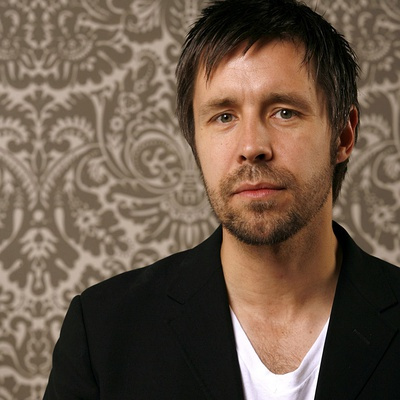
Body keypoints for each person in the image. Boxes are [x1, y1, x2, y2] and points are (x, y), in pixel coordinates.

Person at [43, 0, 400, 399]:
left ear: (343, 136)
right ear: (194, 140)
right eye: (224, 116)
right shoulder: (101, 331)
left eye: (284, 112)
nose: (252, 147)